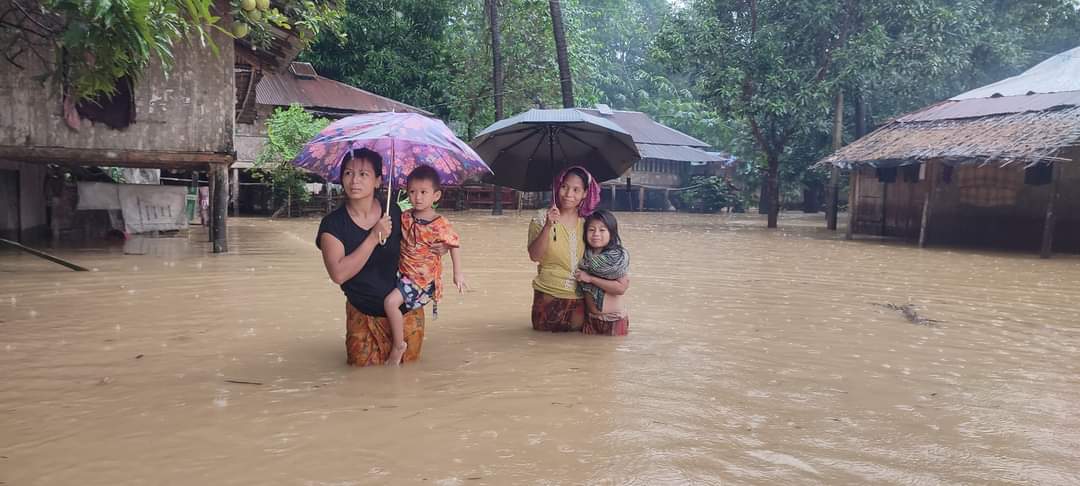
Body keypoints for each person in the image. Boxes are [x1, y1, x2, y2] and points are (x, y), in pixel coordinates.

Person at [316, 148, 437, 366]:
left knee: (409, 381)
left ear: (377, 181)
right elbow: (339, 274)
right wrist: (373, 237)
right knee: (361, 382)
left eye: (363, 174)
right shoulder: (333, 225)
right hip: (363, 316)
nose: (354, 180)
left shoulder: (394, 212)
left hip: (406, 314)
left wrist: (439, 248)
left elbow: (419, 244)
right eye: (348, 173)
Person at [383, 165, 464, 365]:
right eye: (412, 192)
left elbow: (454, 244)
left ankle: (399, 344)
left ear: (436, 196)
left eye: (423, 192)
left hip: (421, 279)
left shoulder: (440, 223)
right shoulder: (404, 217)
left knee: (390, 303)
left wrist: (458, 274)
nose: (417, 197)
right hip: (404, 273)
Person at [526, 166, 600, 332]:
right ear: (557, 187)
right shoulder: (541, 217)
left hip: (580, 299)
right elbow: (535, 256)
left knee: (574, 352)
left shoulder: (589, 223)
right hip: (547, 296)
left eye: (576, 190)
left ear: (585, 193)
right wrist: (547, 226)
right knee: (543, 350)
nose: (568, 195)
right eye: (564, 187)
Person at [575, 209, 630, 336]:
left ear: (611, 233)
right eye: (591, 229)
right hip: (590, 320)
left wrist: (590, 279)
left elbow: (620, 288)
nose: (596, 234)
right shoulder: (584, 255)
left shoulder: (616, 258)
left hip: (614, 320)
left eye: (602, 230)